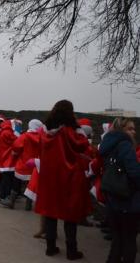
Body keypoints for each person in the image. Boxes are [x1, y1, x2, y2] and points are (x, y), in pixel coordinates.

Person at [35, 100, 91, 260]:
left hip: (49, 177)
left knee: (51, 212)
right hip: (69, 176)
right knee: (70, 214)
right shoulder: (73, 131)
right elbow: (83, 146)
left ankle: (50, 247)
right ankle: (72, 251)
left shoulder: (44, 131)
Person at [99, 117, 140, 263]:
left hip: (112, 198)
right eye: (130, 128)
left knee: (117, 239)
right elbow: (134, 172)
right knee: (129, 240)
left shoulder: (108, 145)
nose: (133, 132)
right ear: (121, 130)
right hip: (127, 200)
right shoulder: (125, 145)